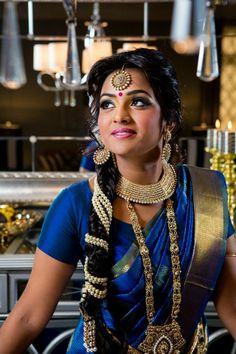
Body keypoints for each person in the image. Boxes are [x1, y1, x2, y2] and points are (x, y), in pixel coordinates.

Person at [0, 48, 236, 354]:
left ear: (169, 121)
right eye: (107, 104)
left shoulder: (206, 193)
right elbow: (29, 316)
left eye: (138, 101)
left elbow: (232, 302)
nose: (120, 115)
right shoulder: (75, 204)